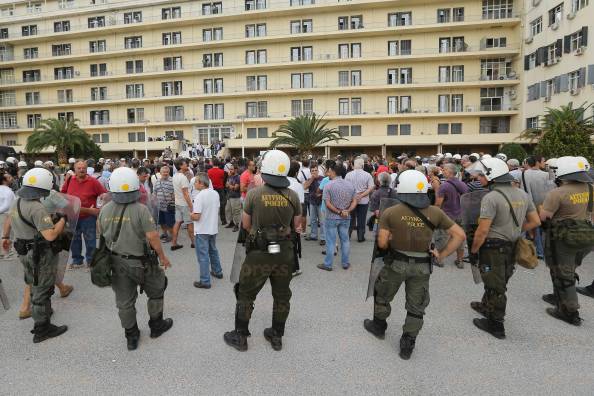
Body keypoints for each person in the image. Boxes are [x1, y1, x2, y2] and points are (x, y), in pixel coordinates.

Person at [363, 170, 466, 359]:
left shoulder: (390, 212)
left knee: (383, 295)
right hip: (422, 266)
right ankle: (407, 344)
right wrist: (441, 255)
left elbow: (382, 244)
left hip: (396, 263)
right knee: (416, 305)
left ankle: (378, 326)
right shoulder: (436, 212)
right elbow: (460, 235)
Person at [224, 149, 301, 352]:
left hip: (259, 252)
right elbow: (298, 226)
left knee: (246, 293)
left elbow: (246, 224)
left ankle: (240, 336)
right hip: (284, 252)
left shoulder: (254, 194)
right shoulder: (293, 195)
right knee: (282, 295)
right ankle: (277, 335)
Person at [99, 167, 173, 351]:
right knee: (156, 290)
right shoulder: (141, 209)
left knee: (124, 302)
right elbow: (153, 236)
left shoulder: (104, 210)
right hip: (143, 262)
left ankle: (131, 336)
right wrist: (163, 257)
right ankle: (156, 326)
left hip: (116, 262)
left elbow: (101, 235)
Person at [469, 157, 540, 339]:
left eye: (482, 175)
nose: (479, 178)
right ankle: (486, 306)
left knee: (496, 285)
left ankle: (496, 324)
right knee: (500, 279)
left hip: (493, 248)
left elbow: (482, 230)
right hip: (513, 245)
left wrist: (474, 250)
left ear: (492, 176)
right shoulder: (523, 194)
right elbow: (535, 221)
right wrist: (514, 230)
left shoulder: (491, 197)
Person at [2, 168, 68, 343]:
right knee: (43, 289)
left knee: (33, 282)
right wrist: (62, 220)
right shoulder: (36, 207)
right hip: (39, 254)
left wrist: (5, 237)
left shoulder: (16, 202)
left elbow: (9, 221)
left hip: (24, 251)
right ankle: (42, 328)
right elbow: (51, 235)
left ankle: (43, 312)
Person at [540, 156, 593, 325]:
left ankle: (570, 312)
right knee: (569, 268)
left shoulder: (557, 193)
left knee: (563, 272)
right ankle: (559, 297)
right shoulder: (590, 188)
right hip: (585, 235)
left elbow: (544, 217)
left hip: (563, 238)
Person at [61, 159, 107, 269]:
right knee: (74, 240)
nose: (81, 170)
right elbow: (62, 194)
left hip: (88, 217)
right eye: (79, 168)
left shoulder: (93, 181)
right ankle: (77, 260)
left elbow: (103, 194)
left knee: (90, 240)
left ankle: (90, 261)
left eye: (84, 168)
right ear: (74, 169)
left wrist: (102, 203)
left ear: (87, 169)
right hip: (73, 216)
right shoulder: (69, 181)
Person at [317, 162, 357, 271]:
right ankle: (345, 263)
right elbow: (354, 201)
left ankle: (328, 264)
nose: (328, 173)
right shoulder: (350, 185)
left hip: (331, 217)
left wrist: (339, 212)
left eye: (330, 171)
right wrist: (347, 211)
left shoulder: (328, 185)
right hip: (346, 217)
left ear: (334, 171)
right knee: (345, 240)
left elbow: (328, 203)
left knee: (330, 241)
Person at [191, 172, 223, 289]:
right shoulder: (215, 194)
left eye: (195, 182)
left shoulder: (199, 197)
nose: (194, 184)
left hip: (202, 229)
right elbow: (217, 210)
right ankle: (217, 271)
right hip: (212, 228)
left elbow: (197, 216)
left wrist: (190, 215)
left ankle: (205, 280)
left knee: (203, 255)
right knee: (213, 250)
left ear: (200, 183)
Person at [434, 163, 469, 268]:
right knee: (460, 238)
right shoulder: (463, 184)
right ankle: (460, 260)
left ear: (449, 172)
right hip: (461, 214)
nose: (442, 171)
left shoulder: (444, 186)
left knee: (442, 237)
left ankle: (439, 259)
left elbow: (438, 204)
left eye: (444, 170)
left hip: (448, 216)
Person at [520, 156, 555, 259]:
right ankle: (541, 251)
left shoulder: (524, 173)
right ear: (537, 162)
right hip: (543, 205)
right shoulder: (545, 174)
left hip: (529, 203)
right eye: (543, 161)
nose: (545, 163)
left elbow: (523, 190)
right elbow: (551, 188)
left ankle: (535, 250)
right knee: (543, 228)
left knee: (534, 227)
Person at [345, 158, 374, 242]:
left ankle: (348, 235)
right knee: (361, 218)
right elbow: (370, 188)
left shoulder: (348, 175)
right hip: (363, 200)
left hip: (351, 200)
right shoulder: (367, 175)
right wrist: (361, 195)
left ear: (354, 165)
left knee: (350, 218)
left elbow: (346, 187)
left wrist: (354, 196)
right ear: (362, 165)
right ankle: (360, 236)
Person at [171, 159, 194, 250]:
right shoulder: (183, 178)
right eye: (185, 164)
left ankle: (174, 243)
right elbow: (186, 193)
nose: (187, 165)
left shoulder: (175, 176)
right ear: (180, 166)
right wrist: (191, 206)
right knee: (190, 223)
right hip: (184, 204)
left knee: (177, 223)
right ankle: (194, 242)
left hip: (178, 203)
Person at [153, 165, 176, 242]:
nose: (165, 173)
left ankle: (172, 236)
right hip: (159, 206)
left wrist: (174, 197)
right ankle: (165, 234)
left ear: (169, 172)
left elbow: (176, 192)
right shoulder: (157, 181)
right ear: (160, 172)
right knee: (162, 222)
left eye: (167, 172)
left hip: (169, 206)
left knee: (170, 223)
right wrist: (154, 201)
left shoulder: (173, 181)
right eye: (164, 172)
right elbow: (154, 192)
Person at [304, 165, 324, 242]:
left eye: (316, 170)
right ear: (310, 172)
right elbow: (305, 187)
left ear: (318, 171)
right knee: (312, 220)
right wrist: (312, 179)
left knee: (322, 221)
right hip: (312, 202)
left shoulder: (322, 179)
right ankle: (313, 235)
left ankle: (323, 238)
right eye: (312, 171)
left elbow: (327, 189)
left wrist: (321, 195)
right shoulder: (309, 179)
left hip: (321, 202)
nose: (314, 172)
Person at [207, 159, 227, 226]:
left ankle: (212, 220)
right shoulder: (222, 171)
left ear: (212, 163)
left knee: (211, 205)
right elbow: (223, 180)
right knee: (222, 205)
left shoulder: (209, 171)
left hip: (212, 189)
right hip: (220, 188)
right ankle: (223, 220)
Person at [224, 164, 241, 232]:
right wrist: (229, 185)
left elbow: (236, 188)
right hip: (229, 196)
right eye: (230, 169)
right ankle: (230, 222)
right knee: (228, 210)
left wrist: (229, 185)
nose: (230, 170)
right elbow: (226, 184)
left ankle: (236, 224)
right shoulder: (230, 176)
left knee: (235, 211)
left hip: (235, 197)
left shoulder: (238, 177)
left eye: (232, 169)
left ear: (236, 170)